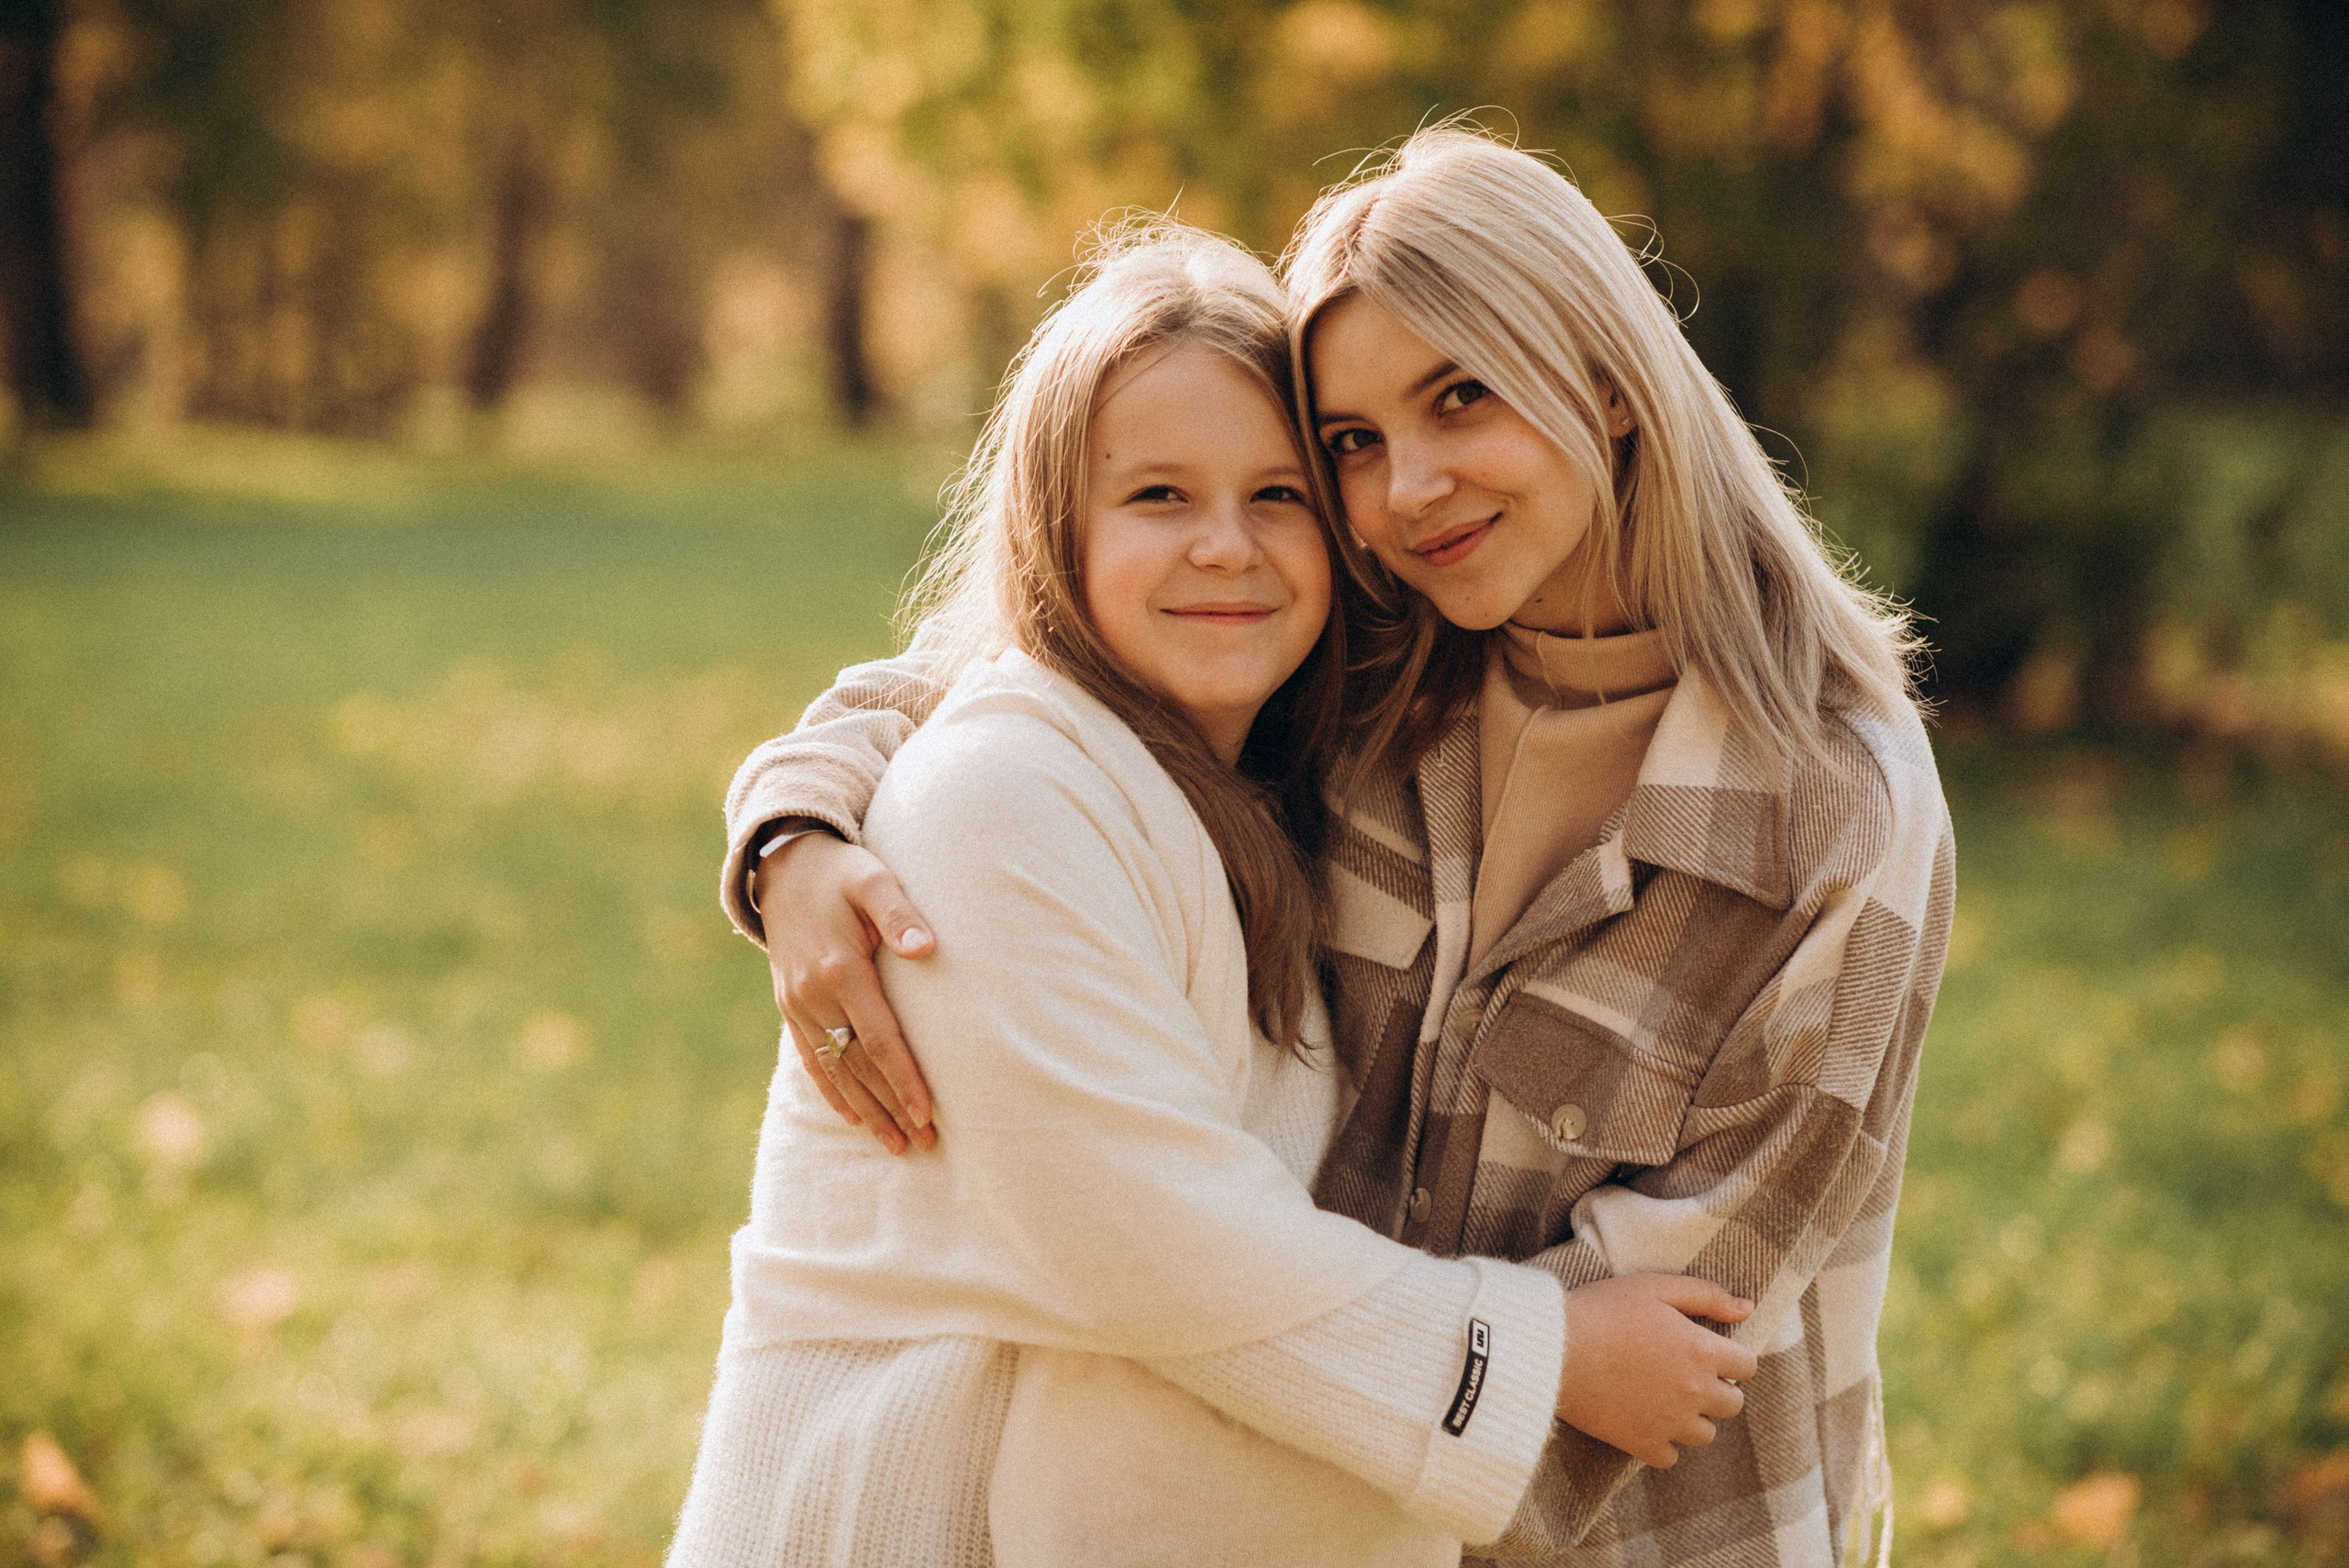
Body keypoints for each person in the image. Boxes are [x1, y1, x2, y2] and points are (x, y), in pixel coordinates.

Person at [727, 128, 1952, 1566]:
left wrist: (1482, 1374)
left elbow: (1673, 1329)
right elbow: (1043, 663)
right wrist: (795, 822)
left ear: (1612, 386)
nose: (1411, 488)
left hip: (1632, 1525)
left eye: (1460, 400)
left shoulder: (1838, 814)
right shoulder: (1378, 656)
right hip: (1268, 1493)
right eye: (1356, 446)